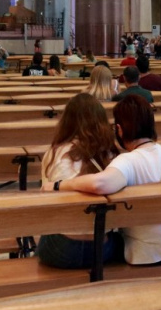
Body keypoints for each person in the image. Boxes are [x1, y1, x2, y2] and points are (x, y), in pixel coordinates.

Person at [43, 96, 161, 265]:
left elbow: (100, 184)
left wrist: (58, 185)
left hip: (155, 252)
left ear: (119, 130)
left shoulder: (126, 161)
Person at [37, 93, 121, 268]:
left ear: (67, 121)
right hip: (102, 248)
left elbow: (46, 202)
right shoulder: (111, 153)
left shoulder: (55, 153)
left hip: (61, 248)